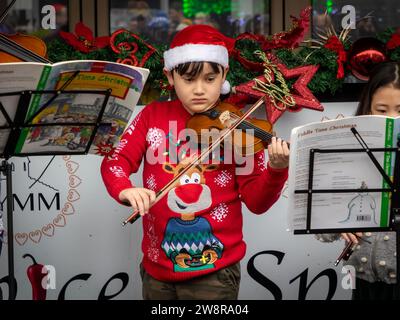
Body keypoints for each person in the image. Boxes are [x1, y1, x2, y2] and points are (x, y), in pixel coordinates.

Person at [101, 24, 289, 300]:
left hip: (215, 273)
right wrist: (124, 188)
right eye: (189, 80)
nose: (199, 90)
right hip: (156, 270)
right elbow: (115, 159)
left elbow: (257, 203)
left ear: (224, 74)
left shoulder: (239, 129)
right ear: (170, 76)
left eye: (210, 79)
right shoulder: (152, 116)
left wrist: (276, 169)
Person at [316, 61, 400, 300]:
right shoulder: (350, 152)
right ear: (368, 109)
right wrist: (339, 221)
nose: (392, 119)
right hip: (363, 281)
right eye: (382, 111)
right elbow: (322, 232)